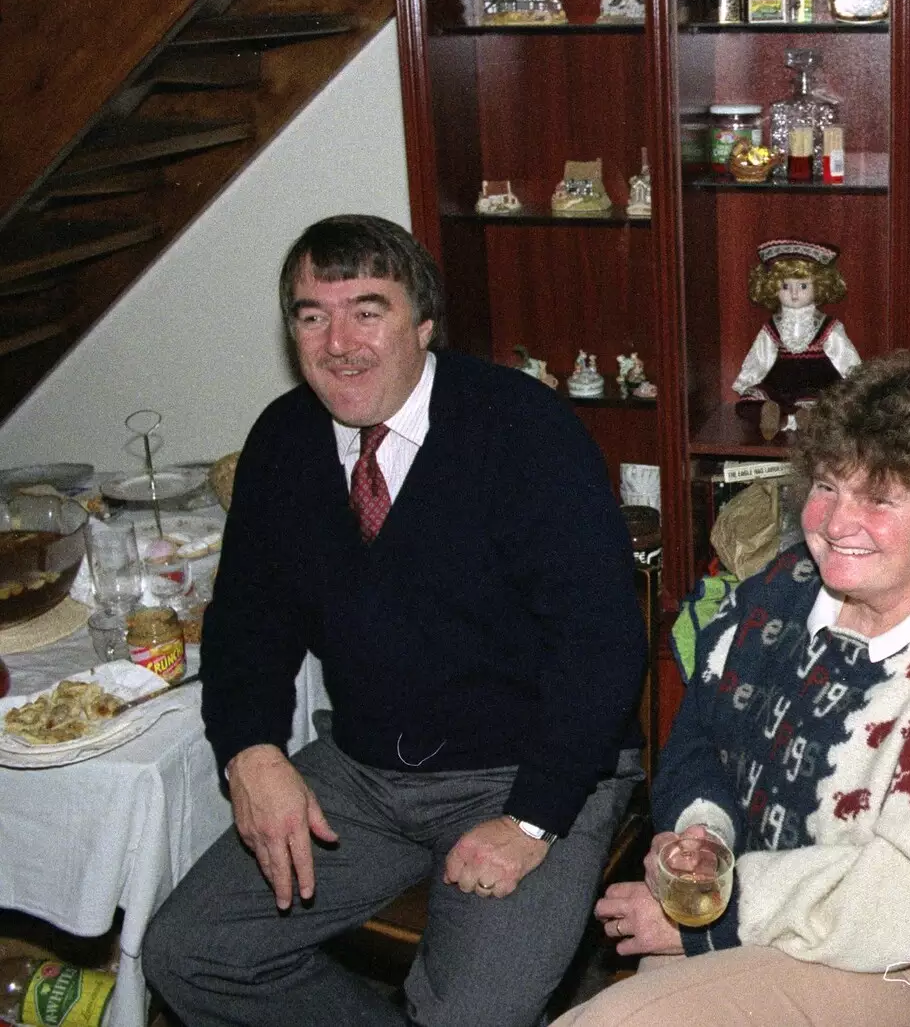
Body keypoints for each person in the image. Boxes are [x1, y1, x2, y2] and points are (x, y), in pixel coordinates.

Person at [142, 215, 647, 1027]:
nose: (339, 341)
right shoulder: (284, 439)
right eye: (312, 315)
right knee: (188, 951)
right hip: (369, 767)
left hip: (530, 763)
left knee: (467, 1013)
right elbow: (245, 619)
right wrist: (251, 748)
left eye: (367, 310)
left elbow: (603, 646)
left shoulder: (525, 430)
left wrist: (532, 816)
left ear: (423, 323)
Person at [554, 354, 910, 1027]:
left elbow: (908, 899)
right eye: (826, 485)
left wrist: (717, 916)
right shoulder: (787, 583)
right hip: (773, 908)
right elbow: (699, 725)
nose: (836, 521)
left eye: (878, 497)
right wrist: (705, 835)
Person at [731, 238, 861, 412]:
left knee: (826, 404)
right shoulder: (773, 327)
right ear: (772, 287)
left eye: (803, 286)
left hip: (819, 384)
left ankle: (806, 418)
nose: (794, 294)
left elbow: (845, 357)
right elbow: (760, 357)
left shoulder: (827, 326)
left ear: (819, 286)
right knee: (751, 402)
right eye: (785, 286)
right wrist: (748, 381)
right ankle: (772, 416)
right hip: (781, 385)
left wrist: (858, 383)